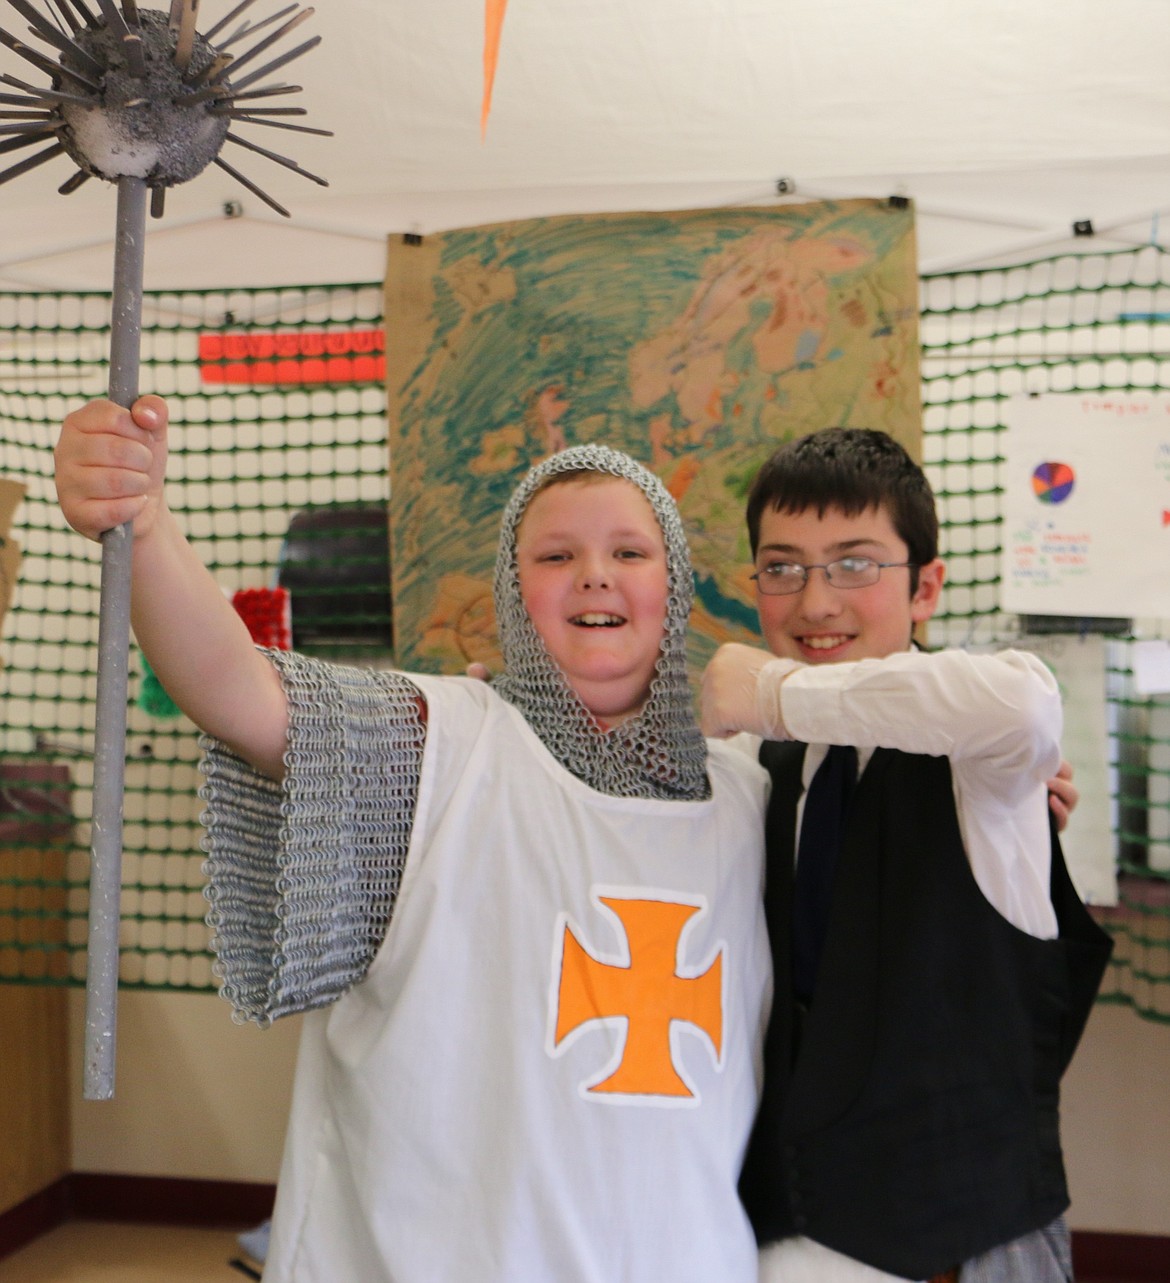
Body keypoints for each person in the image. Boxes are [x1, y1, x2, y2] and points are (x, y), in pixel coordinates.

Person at [55, 397, 772, 1283]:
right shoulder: (441, 740)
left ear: (677, 583)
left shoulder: (749, 795)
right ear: (512, 592)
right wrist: (147, 524)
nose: (595, 574)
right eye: (556, 555)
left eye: (630, 551)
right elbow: (239, 692)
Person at [700, 427, 1113, 1283]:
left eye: (855, 564)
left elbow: (1021, 704)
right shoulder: (761, 764)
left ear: (926, 587)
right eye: (782, 567)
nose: (815, 602)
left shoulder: (984, 753)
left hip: (962, 1239)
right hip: (787, 1233)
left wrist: (770, 690)